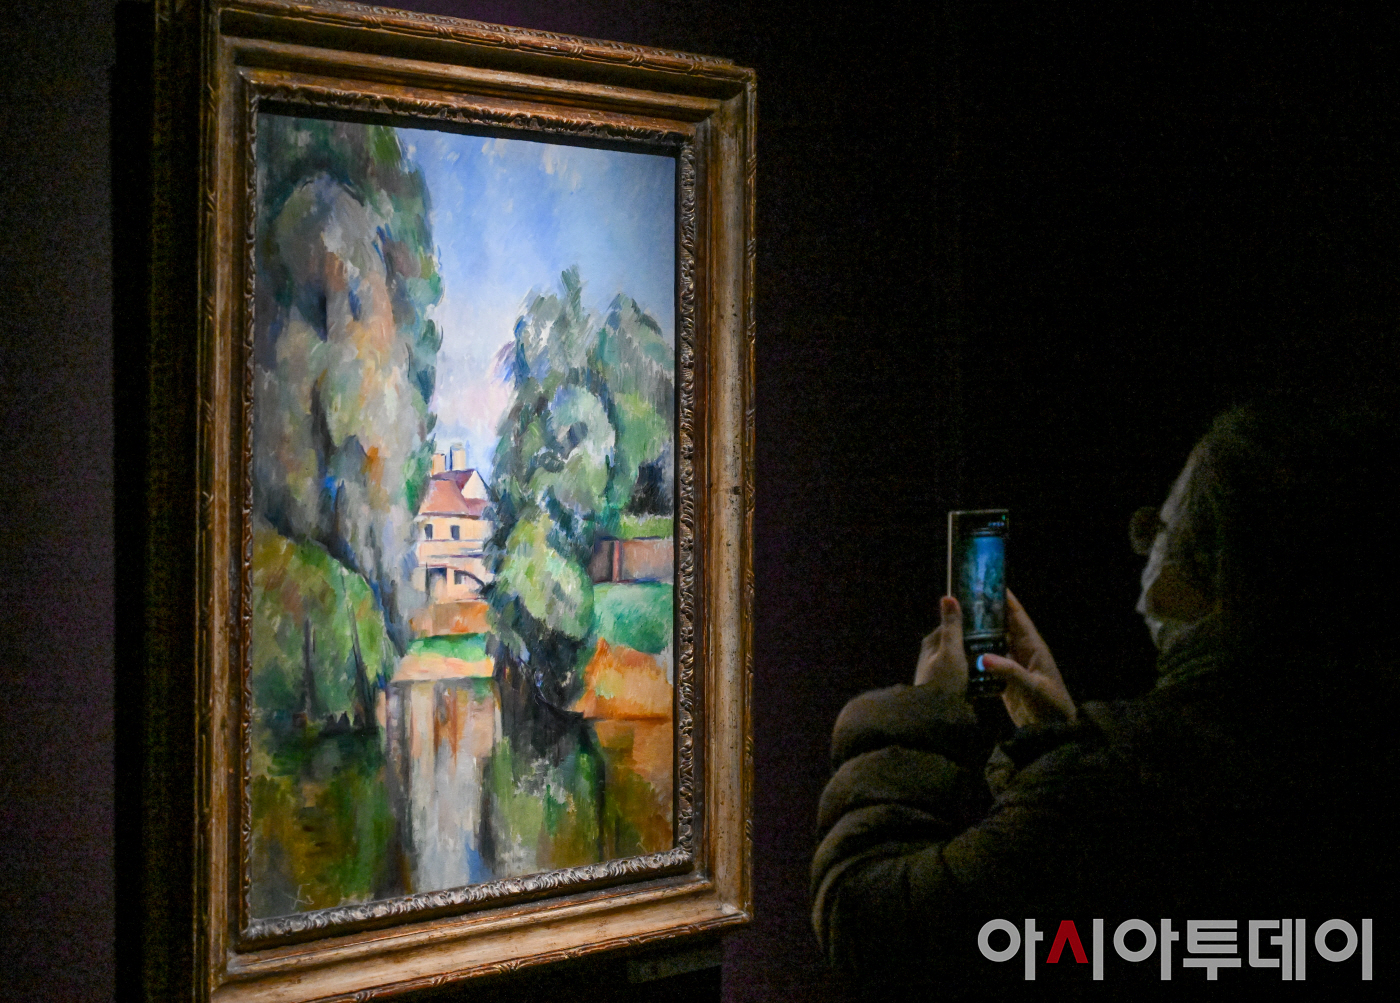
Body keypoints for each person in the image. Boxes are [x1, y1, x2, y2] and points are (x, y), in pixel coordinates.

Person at [811, 392, 1399, 991]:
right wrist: (1059, 745)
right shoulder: (1352, 759)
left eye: (1164, 531)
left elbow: (870, 923)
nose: (1150, 556)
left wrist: (919, 720)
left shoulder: (1121, 787)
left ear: (1216, 573)